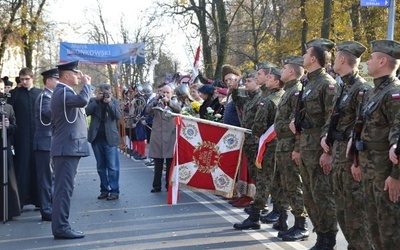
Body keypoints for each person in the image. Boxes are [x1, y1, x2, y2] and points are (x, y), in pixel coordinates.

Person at [320, 41, 373, 249]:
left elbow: (363, 125)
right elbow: (334, 119)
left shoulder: (361, 88)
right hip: (339, 154)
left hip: (351, 157)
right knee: (342, 209)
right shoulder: (343, 86)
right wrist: (328, 142)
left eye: (335, 58)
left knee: (356, 211)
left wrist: (356, 161)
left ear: (343, 60)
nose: (332, 61)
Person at [289, 38, 338, 249]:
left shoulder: (327, 84)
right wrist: (299, 147)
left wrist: (328, 152)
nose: (302, 57)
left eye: (305, 53)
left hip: (319, 148)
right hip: (306, 146)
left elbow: (331, 119)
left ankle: (328, 239)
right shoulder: (309, 83)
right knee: (309, 196)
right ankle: (320, 235)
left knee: (322, 196)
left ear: (313, 58)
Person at [356, 40, 400, 250]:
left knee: (389, 228)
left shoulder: (394, 93)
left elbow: (397, 138)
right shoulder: (373, 92)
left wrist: (396, 175)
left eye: (372, 58)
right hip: (369, 168)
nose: (367, 61)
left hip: (386, 173)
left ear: (383, 61)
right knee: (372, 225)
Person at [51, 60, 92, 239]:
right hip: (66, 148)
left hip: (68, 147)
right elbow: (83, 100)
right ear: (66, 76)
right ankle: (61, 228)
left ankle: (61, 226)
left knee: (65, 189)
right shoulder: (62, 91)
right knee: (63, 190)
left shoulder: (64, 91)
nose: (79, 76)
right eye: (76, 73)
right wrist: (87, 85)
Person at [274, 56, 309, 241]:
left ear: (292, 71)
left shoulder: (296, 92)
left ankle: (301, 225)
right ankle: (286, 220)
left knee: (295, 185)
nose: (281, 71)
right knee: (287, 185)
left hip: (290, 145)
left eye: (284, 68)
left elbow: (298, 124)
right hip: (283, 144)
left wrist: (297, 148)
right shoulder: (288, 91)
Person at [230, 70, 263, 229]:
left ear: (257, 82)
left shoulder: (260, 98)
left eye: (249, 81)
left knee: (259, 177)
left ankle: (259, 207)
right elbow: (238, 101)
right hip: (249, 142)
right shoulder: (250, 99)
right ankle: (256, 206)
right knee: (255, 176)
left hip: (257, 142)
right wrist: (235, 88)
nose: (246, 84)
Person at [7, 67, 42, 209]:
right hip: (20, 137)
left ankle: (40, 200)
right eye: (22, 79)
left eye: (27, 79)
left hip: (38, 136)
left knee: (38, 168)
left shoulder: (40, 93)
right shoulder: (14, 94)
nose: (24, 82)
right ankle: (20, 201)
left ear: (32, 78)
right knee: (21, 167)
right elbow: (10, 114)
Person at [86, 83, 121, 200]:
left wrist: (109, 103)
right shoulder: (93, 100)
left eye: (108, 93)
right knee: (101, 167)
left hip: (110, 139)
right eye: (103, 93)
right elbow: (86, 112)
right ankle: (104, 190)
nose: (105, 95)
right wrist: (97, 100)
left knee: (112, 166)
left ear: (111, 93)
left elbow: (118, 115)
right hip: (96, 138)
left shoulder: (114, 101)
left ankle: (114, 191)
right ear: (99, 92)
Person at [33, 68, 59, 222]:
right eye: (56, 79)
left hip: (48, 141)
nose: (58, 82)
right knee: (46, 178)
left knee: (51, 177)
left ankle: (49, 206)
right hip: (44, 142)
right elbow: (49, 115)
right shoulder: (45, 96)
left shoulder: (50, 96)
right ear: (49, 81)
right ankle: (46, 209)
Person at [147, 84, 181, 193]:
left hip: (170, 136)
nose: (165, 94)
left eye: (167, 93)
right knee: (158, 163)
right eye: (163, 92)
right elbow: (147, 111)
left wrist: (169, 102)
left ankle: (169, 184)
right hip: (158, 136)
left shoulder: (175, 103)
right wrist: (155, 102)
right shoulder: (157, 102)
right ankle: (156, 185)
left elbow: (178, 110)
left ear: (172, 94)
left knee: (170, 163)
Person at [0, 79, 21, 221]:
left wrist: (9, 126)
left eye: (2, 88)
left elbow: (15, 127)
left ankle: (9, 210)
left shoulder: (8, 108)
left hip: (5, 147)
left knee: (7, 176)